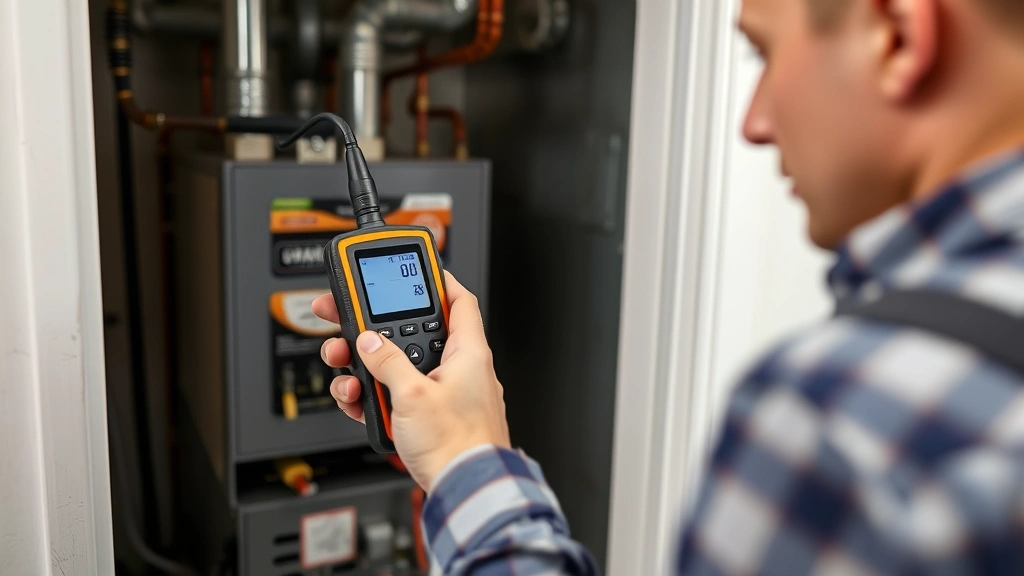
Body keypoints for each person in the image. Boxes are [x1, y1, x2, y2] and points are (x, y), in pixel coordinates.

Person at [313, 0, 1024, 572]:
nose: (753, 124)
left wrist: (467, 462)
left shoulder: (831, 414)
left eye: (765, 52)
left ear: (898, 37)